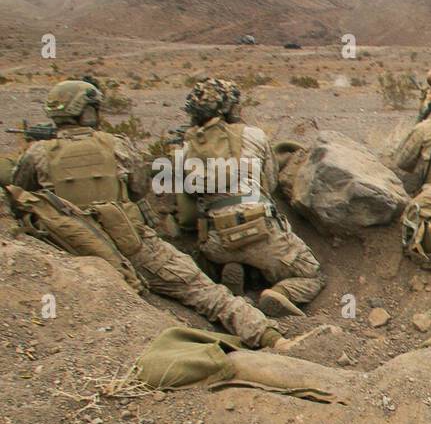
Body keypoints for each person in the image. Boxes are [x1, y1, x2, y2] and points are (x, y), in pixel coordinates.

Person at [7, 80, 282, 348]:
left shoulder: (38, 153)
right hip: (134, 242)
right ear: (88, 111)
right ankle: (272, 339)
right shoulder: (115, 145)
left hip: (77, 250)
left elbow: (25, 191)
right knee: (207, 293)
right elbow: (139, 189)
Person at [178, 77, 324, 316]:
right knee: (312, 275)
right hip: (259, 231)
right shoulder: (253, 135)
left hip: (215, 241)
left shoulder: (186, 148)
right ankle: (279, 294)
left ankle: (235, 271)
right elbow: (271, 181)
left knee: (228, 250)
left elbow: (187, 207)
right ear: (231, 108)